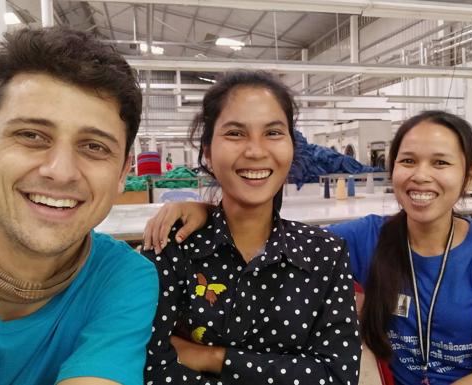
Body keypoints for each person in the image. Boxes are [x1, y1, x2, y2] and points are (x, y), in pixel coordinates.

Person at [144, 110, 472, 385]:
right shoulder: (366, 238)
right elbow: (277, 240)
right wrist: (206, 209)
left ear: (469, 175)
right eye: (407, 161)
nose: (421, 176)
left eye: (441, 163)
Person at [0, 27, 159, 385]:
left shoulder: (121, 278)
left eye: (94, 146)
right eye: (31, 135)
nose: (60, 172)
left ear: (123, 172)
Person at [142, 70, 361, 385]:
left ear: (291, 146)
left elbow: (338, 376)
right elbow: (151, 369)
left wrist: (212, 357)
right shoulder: (172, 247)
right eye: (235, 133)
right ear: (206, 151)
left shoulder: (325, 254)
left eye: (273, 133)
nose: (256, 151)